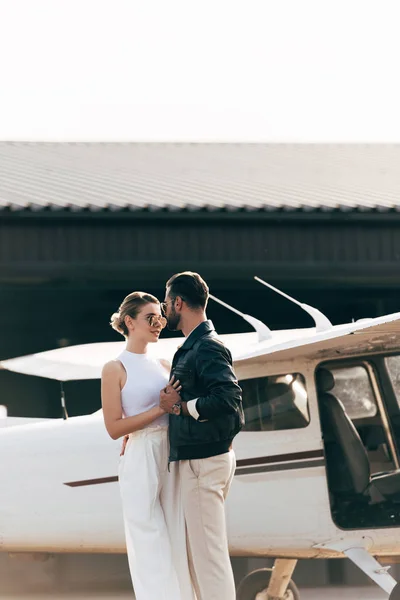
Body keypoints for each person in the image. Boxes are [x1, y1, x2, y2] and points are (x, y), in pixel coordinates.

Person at [101, 291, 195, 600]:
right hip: (141, 455)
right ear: (129, 321)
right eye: (151, 318)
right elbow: (114, 427)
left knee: (177, 536)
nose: (159, 324)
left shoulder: (164, 362)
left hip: (171, 452)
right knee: (148, 540)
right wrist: (159, 410)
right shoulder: (114, 368)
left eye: (162, 318)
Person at [159, 272, 244, 600]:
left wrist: (181, 408)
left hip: (203, 462)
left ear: (178, 302)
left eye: (166, 303)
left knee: (209, 558)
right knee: (201, 556)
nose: (165, 310)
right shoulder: (197, 345)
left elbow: (229, 399)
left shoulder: (206, 347)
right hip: (202, 459)